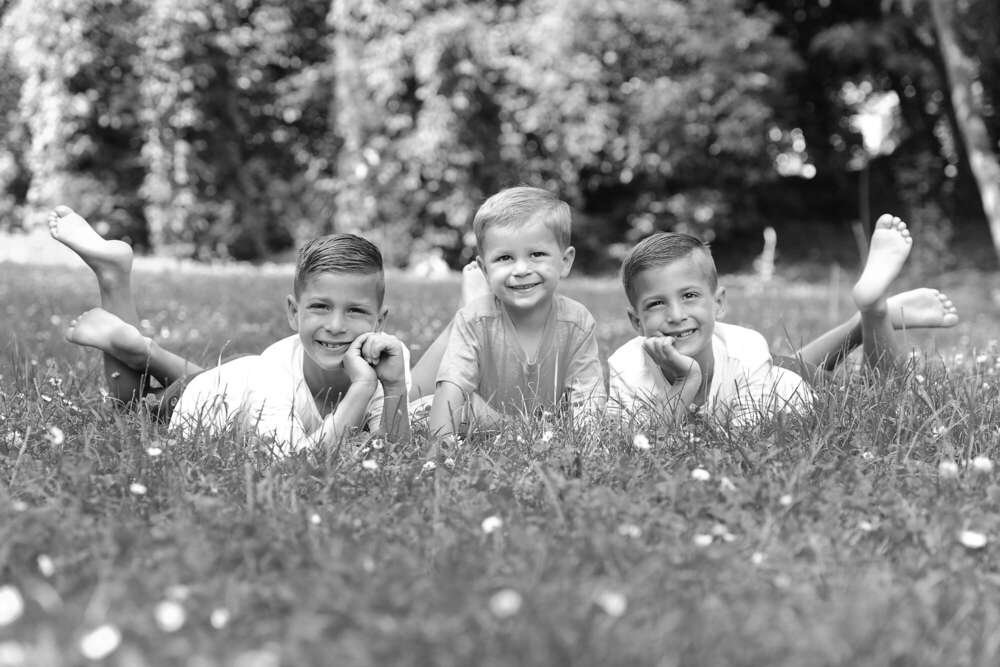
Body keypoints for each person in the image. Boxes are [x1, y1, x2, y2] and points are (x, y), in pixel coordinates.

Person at [49, 205, 411, 453]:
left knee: (203, 379)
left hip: (235, 378)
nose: (335, 326)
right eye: (320, 307)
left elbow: (396, 454)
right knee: (128, 407)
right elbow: (301, 465)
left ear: (380, 321)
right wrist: (363, 387)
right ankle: (114, 281)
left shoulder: (389, 357)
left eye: (356, 311)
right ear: (292, 312)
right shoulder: (274, 376)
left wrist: (393, 387)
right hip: (201, 400)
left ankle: (145, 350)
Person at [609, 214, 959, 427]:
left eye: (689, 296)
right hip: (763, 368)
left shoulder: (746, 352)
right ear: (636, 322)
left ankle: (875, 309)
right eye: (656, 303)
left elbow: (741, 441)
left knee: (882, 394)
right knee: (791, 364)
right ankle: (862, 320)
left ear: (718, 304)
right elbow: (644, 442)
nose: (675, 315)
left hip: (783, 384)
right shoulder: (625, 368)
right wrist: (687, 383)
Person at [419, 186, 606, 437]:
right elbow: (451, 388)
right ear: (485, 270)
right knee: (422, 410)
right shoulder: (475, 320)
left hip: (550, 428)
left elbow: (588, 399)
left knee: (610, 411)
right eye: (505, 258)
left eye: (536, 254)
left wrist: (588, 445)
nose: (521, 269)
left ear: (565, 261)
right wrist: (439, 452)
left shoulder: (576, 321)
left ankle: (529, 429)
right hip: (481, 418)